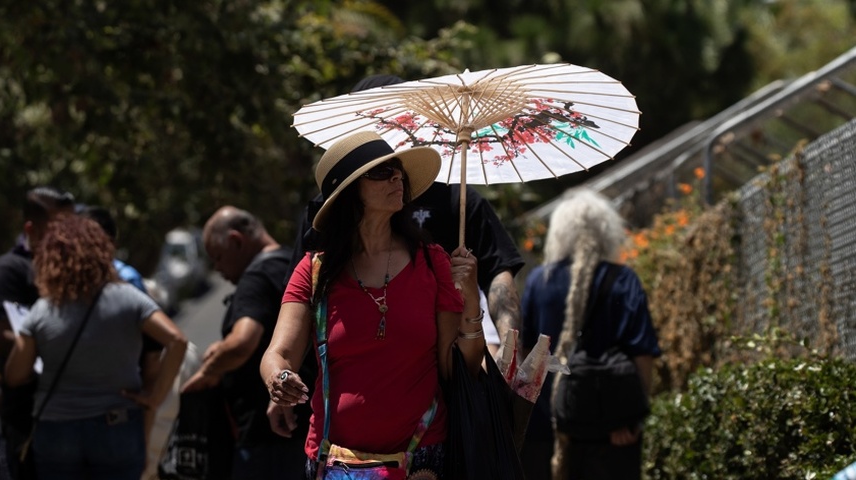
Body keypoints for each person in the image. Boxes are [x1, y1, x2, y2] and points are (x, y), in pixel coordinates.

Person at [261, 131, 486, 478]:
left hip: (421, 461)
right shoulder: (314, 270)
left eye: (397, 170)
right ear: (350, 193)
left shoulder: (434, 262)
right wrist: (278, 378)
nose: (397, 176)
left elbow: (457, 368)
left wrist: (471, 300)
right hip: (335, 464)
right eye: (381, 172)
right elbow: (278, 354)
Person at [285, 74, 525, 357]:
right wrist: (285, 375)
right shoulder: (327, 211)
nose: (388, 129)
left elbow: (498, 271)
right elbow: (301, 302)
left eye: (398, 117)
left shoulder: (454, 199)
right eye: (374, 119)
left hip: (436, 369)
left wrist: (510, 351)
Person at [3, 213, 187, 479]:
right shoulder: (128, 298)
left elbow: (14, 375)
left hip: (57, 431)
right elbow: (177, 340)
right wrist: (155, 396)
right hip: (117, 427)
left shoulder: (43, 310)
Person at [520, 188, 661, 480]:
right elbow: (642, 355)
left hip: (550, 429)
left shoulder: (538, 281)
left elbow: (528, 357)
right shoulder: (624, 279)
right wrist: (632, 417)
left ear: (559, 233)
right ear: (608, 231)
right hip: (611, 433)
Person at [180, 206, 312, 479]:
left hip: (266, 439)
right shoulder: (294, 264)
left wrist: (207, 373)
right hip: (304, 429)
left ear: (236, 241)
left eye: (217, 258)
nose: (217, 269)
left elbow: (243, 341)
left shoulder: (256, 277)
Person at [0, 186, 75, 480]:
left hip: (71, 415)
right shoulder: (9, 272)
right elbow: (2, 338)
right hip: (26, 419)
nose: (67, 237)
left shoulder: (75, 270)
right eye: (57, 228)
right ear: (31, 228)